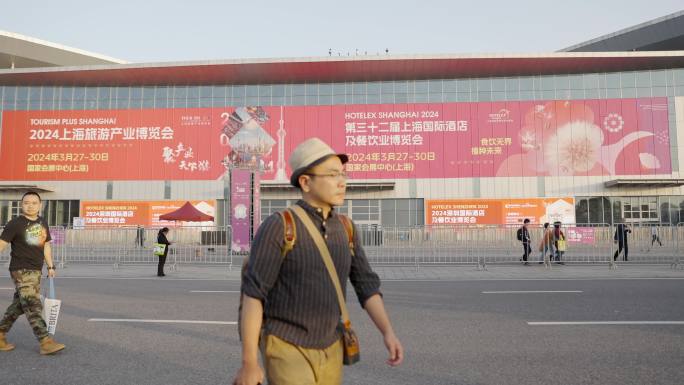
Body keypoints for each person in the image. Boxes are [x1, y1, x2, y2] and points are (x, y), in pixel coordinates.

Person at [233, 138, 403, 385]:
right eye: (333, 175)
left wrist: (388, 332)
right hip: (286, 345)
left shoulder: (346, 229)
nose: (342, 182)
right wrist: (249, 362)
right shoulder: (280, 226)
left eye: (343, 174)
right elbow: (253, 294)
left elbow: (366, 285)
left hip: (332, 345)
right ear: (305, 182)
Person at [0, 191, 65, 355]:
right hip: (21, 269)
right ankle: (45, 341)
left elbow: (46, 246)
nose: (30, 205)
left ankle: (0, 334)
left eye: (34, 203)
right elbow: (1, 244)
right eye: (26, 202)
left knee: (20, 305)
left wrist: (51, 267)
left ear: (40, 205)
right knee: (32, 304)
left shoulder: (42, 222)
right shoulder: (14, 224)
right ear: (22, 205)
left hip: (36, 270)